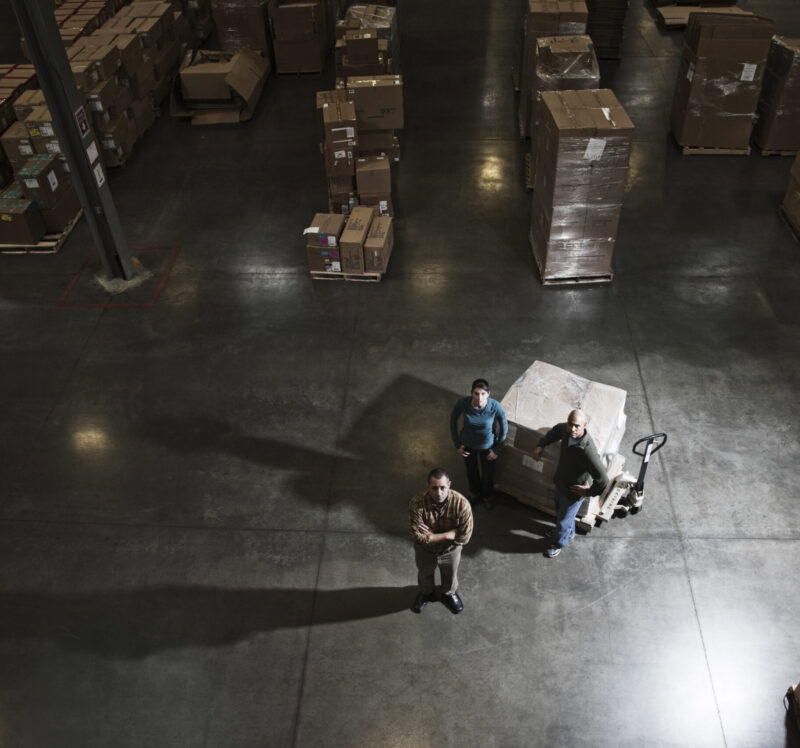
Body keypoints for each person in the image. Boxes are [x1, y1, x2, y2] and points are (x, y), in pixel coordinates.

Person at [532, 408, 608, 558]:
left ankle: (558, 543)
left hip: (572, 493)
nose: (572, 429)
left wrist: (588, 492)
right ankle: (568, 532)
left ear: (584, 425)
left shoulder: (587, 451)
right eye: (570, 424)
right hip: (560, 483)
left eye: (577, 426)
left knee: (562, 521)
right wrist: (541, 445)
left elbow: (603, 479)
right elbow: (554, 431)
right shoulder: (566, 431)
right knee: (562, 515)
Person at [408, 468, 474, 614]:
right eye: (435, 488)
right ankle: (426, 592)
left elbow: (465, 537)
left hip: (450, 551)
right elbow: (417, 535)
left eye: (443, 487)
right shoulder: (417, 503)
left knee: (450, 575)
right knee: (425, 573)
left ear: (449, 485)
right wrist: (449, 534)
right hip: (425, 550)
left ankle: (448, 593)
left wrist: (434, 536)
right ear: (428, 487)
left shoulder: (461, 504)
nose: (439, 493)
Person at [450, 378, 508, 510]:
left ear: (488, 394)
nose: (479, 397)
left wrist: (497, 450)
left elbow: (504, 429)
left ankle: (487, 496)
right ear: (471, 393)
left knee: (488, 475)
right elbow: (453, 420)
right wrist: (457, 444)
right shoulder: (463, 403)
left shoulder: (495, 406)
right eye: (476, 393)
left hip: (487, 447)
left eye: (483, 393)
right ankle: (474, 494)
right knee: (471, 472)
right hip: (468, 445)